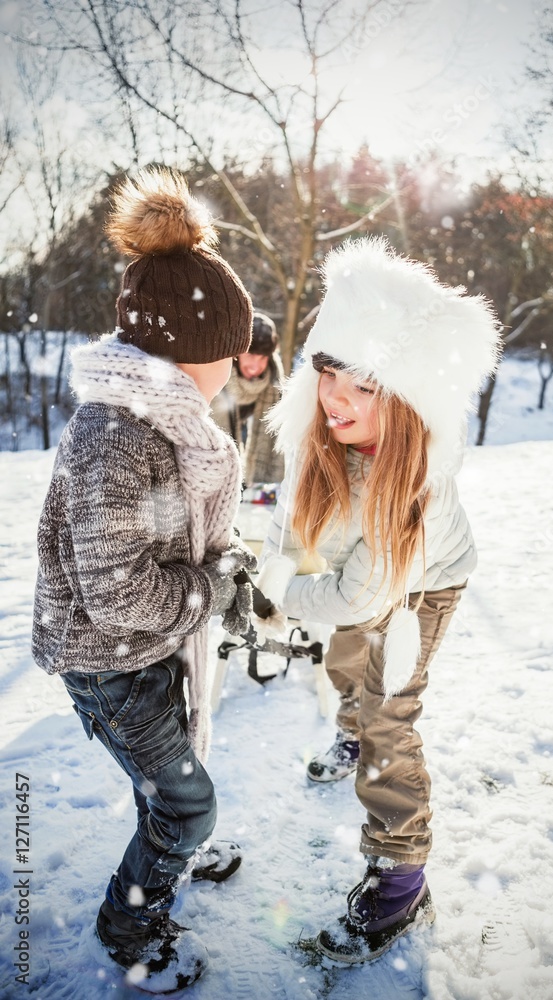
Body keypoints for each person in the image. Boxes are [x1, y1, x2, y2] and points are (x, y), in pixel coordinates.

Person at [31, 168, 265, 993]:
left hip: (153, 643)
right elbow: (118, 594)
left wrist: (224, 565)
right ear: (181, 353)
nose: (236, 368)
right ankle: (128, 924)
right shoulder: (113, 437)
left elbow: (178, 539)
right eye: (226, 353)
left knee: (167, 788)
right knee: (185, 801)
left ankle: (171, 845)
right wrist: (212, 592)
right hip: (109, 658)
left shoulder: (164, 421)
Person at [256, 236, 502, 964]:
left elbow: (354, 591)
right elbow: (291, 531)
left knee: (386, 711)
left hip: (424, 584)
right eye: (327, 372)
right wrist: (275, 573)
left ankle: (401, 876)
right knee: (344, 661)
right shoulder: (324, 428)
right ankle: (347, 724)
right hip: (367, 576)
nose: (334, 396)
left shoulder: (411, 480)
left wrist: (281, 603)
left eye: (361, 384)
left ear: (402, 395)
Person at [210, 311, 285, 487]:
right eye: (251, 355)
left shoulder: (272, 380)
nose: (256, 366)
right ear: (237, 353)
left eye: (263, 358)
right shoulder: (217, 377)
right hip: (226, 423)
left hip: (250, 423)